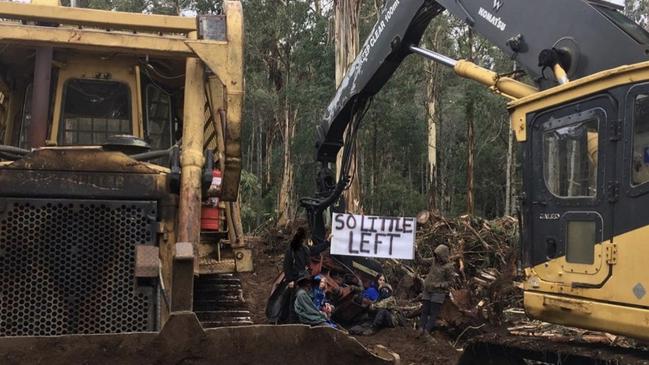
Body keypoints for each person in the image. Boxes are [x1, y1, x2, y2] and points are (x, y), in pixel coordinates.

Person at [419, 244, 454, 335]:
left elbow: (450, 282)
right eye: (436, 255)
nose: (437, 257)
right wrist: (415, 252)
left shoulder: (448, 267)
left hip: (438, 293)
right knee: (425, 310)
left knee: (433, 313)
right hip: (427, 289)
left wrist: (439, 285)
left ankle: (427, 330)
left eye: (439, 255)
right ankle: (420, 329)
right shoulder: (433, 261)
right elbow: (422, 261)